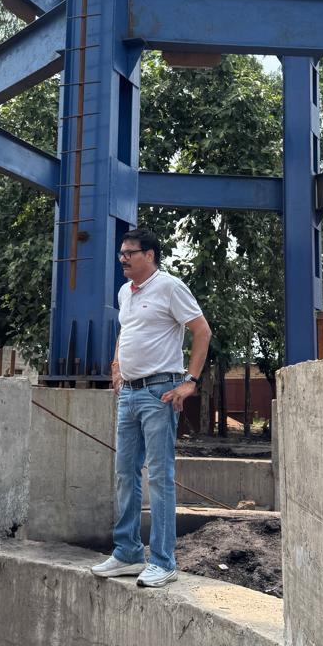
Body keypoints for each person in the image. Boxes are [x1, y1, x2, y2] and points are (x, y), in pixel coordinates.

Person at [91, 227, 211, 588]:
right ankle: (128, 552)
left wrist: (190, 381)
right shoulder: (125, 292)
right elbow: (126, 332)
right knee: (125, 473)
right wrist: (116, 366)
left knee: (159, 476)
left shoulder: (170, 287)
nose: (123, 259)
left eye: (130, 253)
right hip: (128, 393)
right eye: (121, 253)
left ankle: (163, 561)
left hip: (160, 392)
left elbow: (202, 331)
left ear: (150, 255)